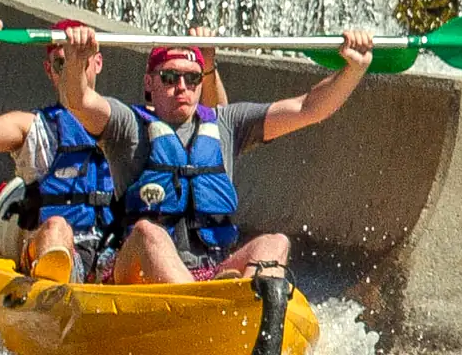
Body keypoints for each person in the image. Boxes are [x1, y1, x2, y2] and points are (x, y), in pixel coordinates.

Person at [49, 24, 373, 286]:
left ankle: (247, 313)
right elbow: (79, 101)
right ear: (149, 83)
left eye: (192, 78)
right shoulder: (126, 125)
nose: (182, 86)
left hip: (210, 270)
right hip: (138, 271)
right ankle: (204, 309)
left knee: (275, 244)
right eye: (169, 77)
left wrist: (353, 70)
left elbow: (309, 108)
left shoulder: (227, 124)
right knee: (148, 232)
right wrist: (76, 60)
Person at [0, 18, 226, 284]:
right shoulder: (34, 127)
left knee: (150, 233)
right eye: (62, 62)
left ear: (98, 63)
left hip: (114, 257)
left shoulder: (132, 125)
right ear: (49, 70)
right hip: (60, 251)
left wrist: (208, 65)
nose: (72, 68)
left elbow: (214, 124)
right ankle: (54, 290)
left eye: (81, 58)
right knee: (56, 227)